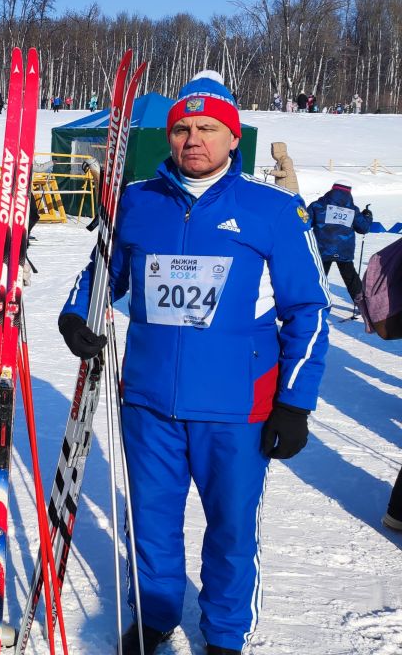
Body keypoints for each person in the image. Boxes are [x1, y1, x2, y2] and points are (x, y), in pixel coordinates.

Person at [58, 70, 329, 655]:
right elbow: (102, 271)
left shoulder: (273, 210)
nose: (193, 139)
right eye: (181, 128)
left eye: (208, 127)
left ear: (234, 137)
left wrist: (295, 402)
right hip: (150, 400)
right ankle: (155, 612)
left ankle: (226, 633)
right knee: (152, 520)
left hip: (238, 406)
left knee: (229, 531)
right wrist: (76, 313)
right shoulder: (137, 201)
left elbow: (309, 310)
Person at [308, 182, 372, 305]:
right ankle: (362, 304)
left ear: (332, 190)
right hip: (344, 250)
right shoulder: (352, 210)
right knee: (350, 277)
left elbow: (305, 222)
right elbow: (363, 228)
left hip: (322, 249)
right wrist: (367, 216)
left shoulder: (318, 205)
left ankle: (313, 303)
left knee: (318, 277)